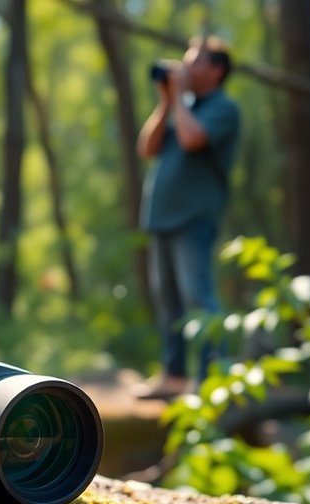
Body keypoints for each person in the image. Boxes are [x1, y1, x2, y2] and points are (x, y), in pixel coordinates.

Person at [134, 36, 240, 400]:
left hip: (194, 217)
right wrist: (167, 101)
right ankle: (174, 376)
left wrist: (178, 98)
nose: (185, 69)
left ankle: (212, 378)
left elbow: (194, 140)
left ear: (216, 70)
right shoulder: (181, 107)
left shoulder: (224, 109)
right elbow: (147, 147)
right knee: (167, 300)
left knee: (199, 296)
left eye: (194, 62)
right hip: (161, 217)